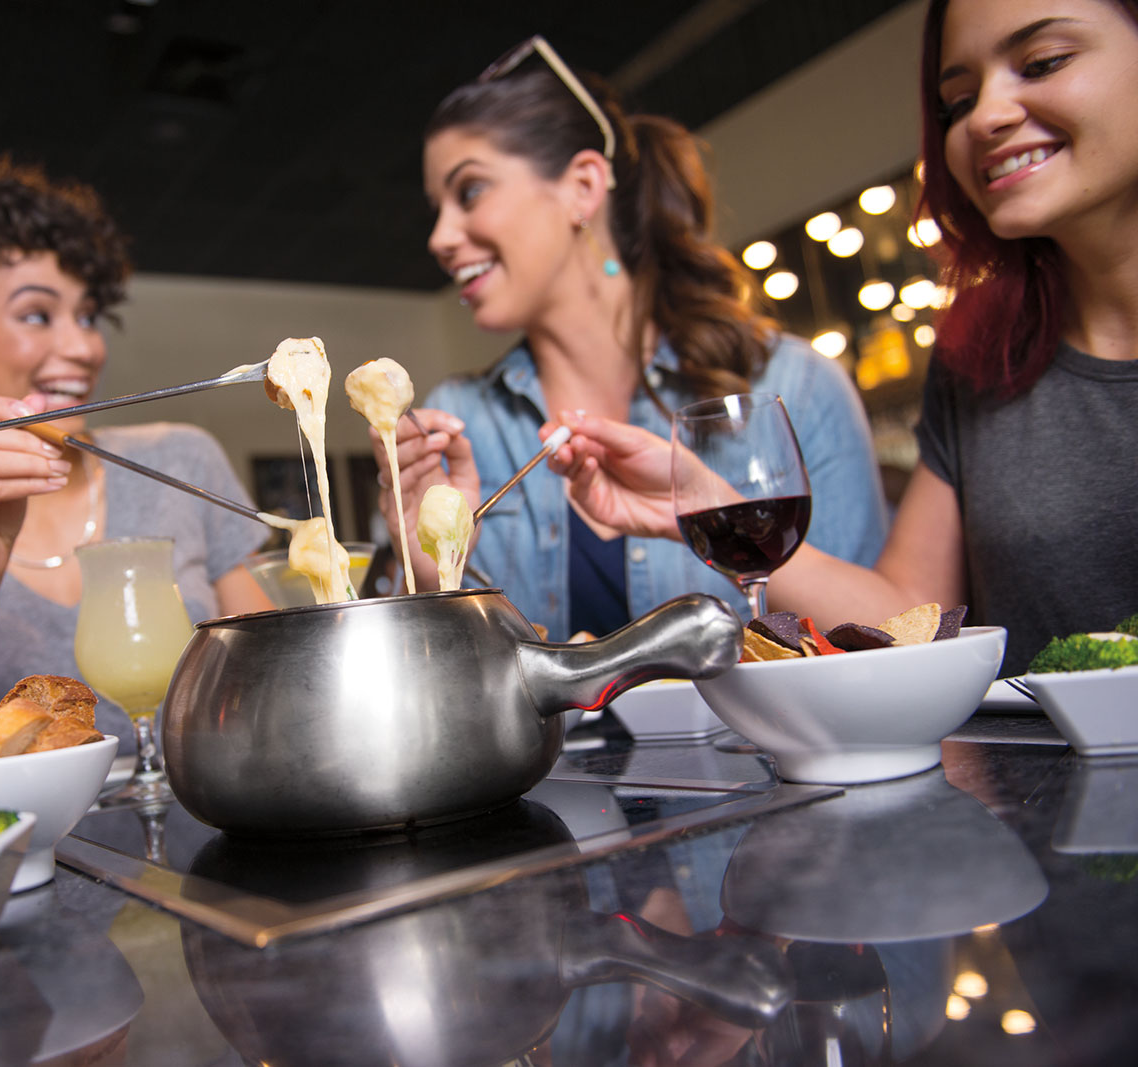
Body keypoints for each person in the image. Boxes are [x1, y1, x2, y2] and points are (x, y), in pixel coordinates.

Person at [550, 0, 1138, 676]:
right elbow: (907, 615)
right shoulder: (979, 358)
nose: (987, 117)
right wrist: (705, 500)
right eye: (958, 100)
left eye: (1043, 64)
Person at [380, 37, 888, 642]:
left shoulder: (793, 387)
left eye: (469, 192)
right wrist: (433, 576)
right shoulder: (456, 423)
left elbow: (893, 638)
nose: (440, 238)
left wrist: (724, 522)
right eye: (436, 209)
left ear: (583, 187)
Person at [0, 149, 272, 748]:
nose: (83, 346)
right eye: (37, 315)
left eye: (88, 315)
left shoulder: (180, 459)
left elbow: (268, 671)